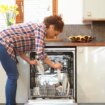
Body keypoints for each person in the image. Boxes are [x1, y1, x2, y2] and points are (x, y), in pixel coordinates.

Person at [0, 15, 64, 105]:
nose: (55, 37)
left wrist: (28, 60)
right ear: (51, 27)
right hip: (3, 43)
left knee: (13, 75)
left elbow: (19, 48)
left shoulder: (38, 29)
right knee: (12, 76)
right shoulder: (40, 28)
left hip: (4, 44)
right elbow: (40, 53)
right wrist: (53, 65)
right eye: (55, 33)